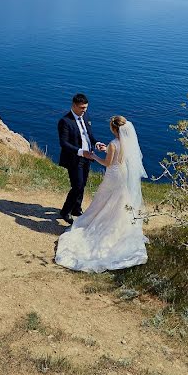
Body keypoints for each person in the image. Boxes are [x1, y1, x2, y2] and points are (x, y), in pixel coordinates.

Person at [54, 115, 148, 273]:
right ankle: (118, 223)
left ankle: (99, 219)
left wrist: (94, 156)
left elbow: (107, 163)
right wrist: (107, 151)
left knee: (104, 197)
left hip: (113, 175)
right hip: (123, 174)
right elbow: (120, 157)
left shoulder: (113, 143)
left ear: (113, 129)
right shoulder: (127, 143)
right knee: (120, 198)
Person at [57, 93, 106, 224]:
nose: (84, 110)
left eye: (86, 107)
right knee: (77, 186)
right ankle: (65, 211)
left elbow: (89, 135)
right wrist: (80, 152)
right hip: (74, 158)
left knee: (82, 184)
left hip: (87, 157)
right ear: (74, 106)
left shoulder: (86, 116)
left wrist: (96, 143)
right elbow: (64, 143)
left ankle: (76, 208)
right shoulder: (65, 121)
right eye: (82, 108)